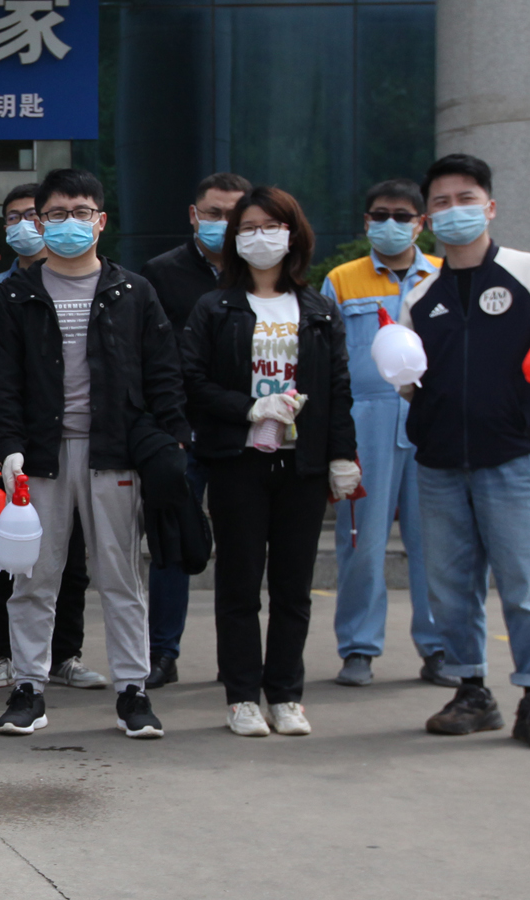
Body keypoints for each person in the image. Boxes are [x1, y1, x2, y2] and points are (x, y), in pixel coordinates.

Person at [0, 167, 187, 740]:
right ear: (39, 222)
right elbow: (3, 382)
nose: (68, 223)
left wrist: (170, 441)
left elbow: (163, 373)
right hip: (41, 458)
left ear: (101, 221)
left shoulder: (133, 291)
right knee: (33, 576)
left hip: (114, 454)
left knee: (121, 576)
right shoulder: (17, 295)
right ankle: (28, 688)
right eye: (55, 214)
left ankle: (133, 691)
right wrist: (10, 448)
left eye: (80, 213)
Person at [401, 154, 530, 751]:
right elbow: (409, 382)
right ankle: (472, 692)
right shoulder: (419, 296)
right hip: (437, 464)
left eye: (466, 198)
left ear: (490, 207)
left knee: (523, 585)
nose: (454, 210)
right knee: (450, 589)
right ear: (428, 218)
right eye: (442, 202)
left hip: (512, 459)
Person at [180, 186, 358, 738]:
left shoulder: (318, 309)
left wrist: (342, 455)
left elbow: (337, 389)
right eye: (249, 227)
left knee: (292, 587)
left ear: (293, 234)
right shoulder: (216, 307)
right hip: (238, 461)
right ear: (236, 238)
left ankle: (285, 695)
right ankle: (241, 696)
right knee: (239, 585)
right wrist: (248, 407)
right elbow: (191, 380)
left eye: (271, 226)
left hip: (302, 465)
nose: (261, 237)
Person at [0, 183, 98, 691]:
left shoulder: (96, 284)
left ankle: (66, 654)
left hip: (75, 440)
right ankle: (9, 654)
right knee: (12, 555)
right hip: (12, 442)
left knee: (72, 555)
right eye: (14, 217)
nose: (25, 226)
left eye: (32, 215)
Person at [321, 180, 456, 688]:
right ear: (366, 222)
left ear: (421, 223)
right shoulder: (342, 280)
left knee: (437, 544)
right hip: (366, 425)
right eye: (380, 214)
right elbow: (328, 361)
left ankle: (440, 647)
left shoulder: (444, 275)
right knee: (361, 542)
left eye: (402, 215)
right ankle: (359, 647)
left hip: (432, 423)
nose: (390, 224)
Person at [137, 171, 250, 689]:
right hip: (177, 432)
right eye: (213, 213)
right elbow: (148, 355)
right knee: (172, 544)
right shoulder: (160, 274)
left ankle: (238, 655)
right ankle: (163, 652)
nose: (223, 223)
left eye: (234, 215)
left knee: (241, 548)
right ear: (193, 215)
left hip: (242, 431)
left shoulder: (260, 274)